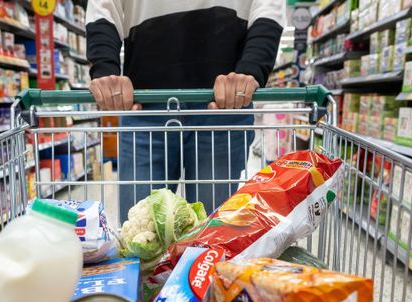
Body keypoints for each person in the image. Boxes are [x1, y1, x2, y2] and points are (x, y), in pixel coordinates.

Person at [86, 0, 286, 218]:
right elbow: (104, 6)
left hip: (222, 107)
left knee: (210, 237)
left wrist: (252, 67)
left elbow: (268, 7)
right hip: (146, 108)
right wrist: (105, 69)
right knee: (140, 234)